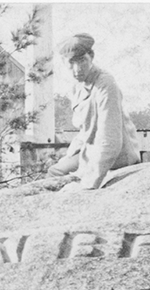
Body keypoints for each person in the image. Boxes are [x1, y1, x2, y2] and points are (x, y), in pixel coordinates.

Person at [48, 33, 136, 191]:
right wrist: (71, 154)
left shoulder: (105, 84)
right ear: (63, 62)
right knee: (57, 169)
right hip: (91, 148)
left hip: (116, 154)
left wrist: (89, 184)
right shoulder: (78, 86)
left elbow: (110, 141)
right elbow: (86, 128)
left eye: (82, 61)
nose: (77, 69)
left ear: (92, 56)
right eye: (71, 63)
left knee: (57, 173)